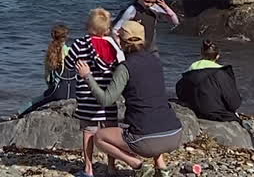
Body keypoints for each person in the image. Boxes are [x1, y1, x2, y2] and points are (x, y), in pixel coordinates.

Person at [77, 21, 183, 177]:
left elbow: (106, 100)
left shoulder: (125, 68)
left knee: (99, 137)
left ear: (121, 42)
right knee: (152, 111)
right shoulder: (155, 60)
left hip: (146, 140)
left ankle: (136, 165)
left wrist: (87, 76)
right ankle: (161, 167)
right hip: (174, 133)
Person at [65, 8, 121, 177]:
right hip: (108, 94)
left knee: (88, 131)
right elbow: (119, 67)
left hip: (87, 95)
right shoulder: (112, 46)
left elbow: (68, 64)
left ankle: (88, 168)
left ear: (89, 25)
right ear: (107, 29)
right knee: (110, 130)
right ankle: (111, 166)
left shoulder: (79, 44)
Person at [174, 40, 242, 122]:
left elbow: (180, 92)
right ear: (217, 56)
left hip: (194, 109)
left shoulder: (189, 71)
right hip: (214, 113)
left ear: (201, 54)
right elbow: (234, 103)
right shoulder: (221, 73)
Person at [18, 25, 76, 116]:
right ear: (67, 37)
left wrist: (50, 87)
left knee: (35, 102)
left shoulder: (50, 52)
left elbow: (48, 78)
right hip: (74, 92)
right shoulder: (71, 51)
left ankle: (17, 114)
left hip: (57, 92)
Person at [115, 0, 179, 54]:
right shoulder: (132, 10)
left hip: (151, 48)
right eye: (147, 1)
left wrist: (165, 6)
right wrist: (120, 48)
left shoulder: (154, 8)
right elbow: (115, 30)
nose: (149, 5)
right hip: (134, 49)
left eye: (153, 2)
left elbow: (175, 22)